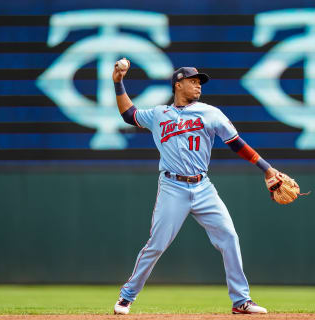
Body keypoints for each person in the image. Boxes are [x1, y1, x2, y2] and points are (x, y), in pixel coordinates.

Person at [112, 59, 278, 315]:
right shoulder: (158, 114)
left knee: (229, 237)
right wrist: (118, 82)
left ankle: (241, 301)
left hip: (203, 187)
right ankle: (127, 296)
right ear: (178, 85)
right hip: (171, 186)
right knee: (156, 244)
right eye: (193, 81)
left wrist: (266, 169)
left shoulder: (210, 113)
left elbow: (236, 143)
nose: (198, 85)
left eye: (200, 82)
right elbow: (128, 114)